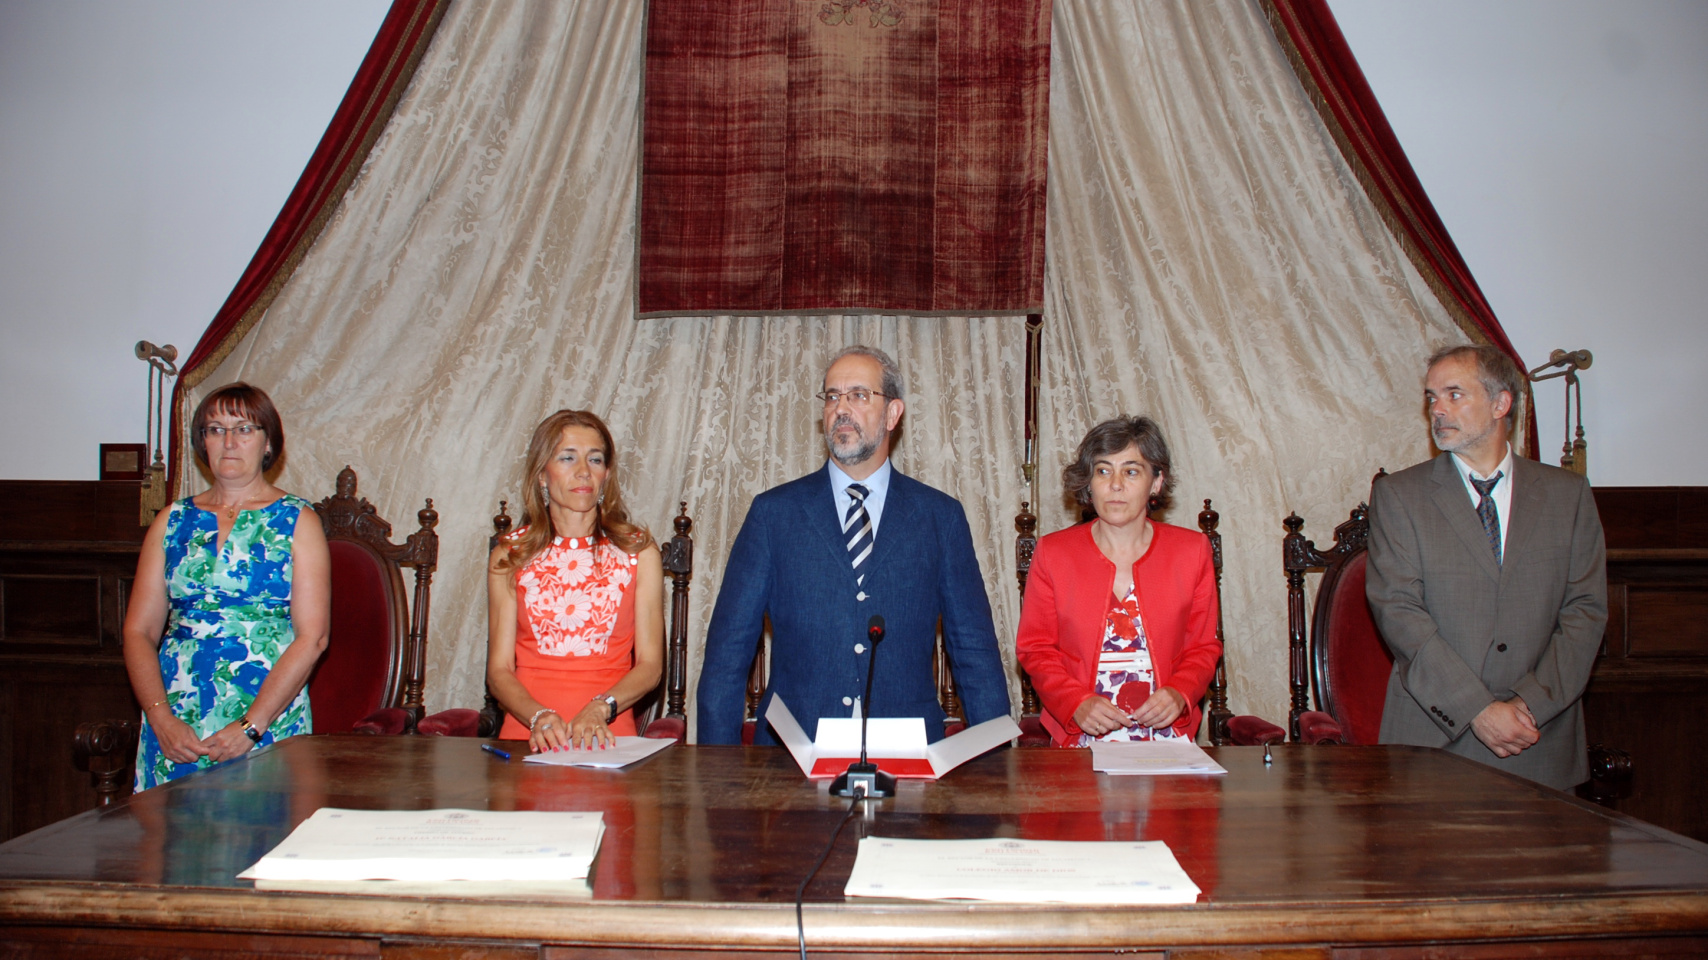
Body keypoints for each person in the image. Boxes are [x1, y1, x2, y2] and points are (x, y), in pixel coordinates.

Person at [696, 345, 1011, 744]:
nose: (840, 408)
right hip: (791, 760)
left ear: (893, 413)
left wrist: (995, 770)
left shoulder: (940, 517)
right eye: (832, 396)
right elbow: (727, 655)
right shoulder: (773, 515)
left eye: (859, 395)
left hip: (909, 757)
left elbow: (974, 651)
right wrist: (716, 776)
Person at [1366, 344, 1607, 790]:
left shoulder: (1567, 496)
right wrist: (1477, 709)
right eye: (1431, 397)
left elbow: (1585, 611)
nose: (1437, 409)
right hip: (1434, 743)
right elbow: (1399, 613)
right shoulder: (1400, 496)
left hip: (1540, 742)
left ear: (1501, 403)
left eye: (1454, 394)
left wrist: (1529, 707)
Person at [123, 382, 331, 790]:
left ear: (268, 443)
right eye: (216, 429)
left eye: (244, 429)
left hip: (267, 714)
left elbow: (313, 638)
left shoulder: (298, 521)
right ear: (203, 443)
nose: (229, 441)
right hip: (176, 719)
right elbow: (137, 632)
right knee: (169, 845)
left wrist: (251, 726)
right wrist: (160, 717)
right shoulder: (171, 520)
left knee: (262, 841)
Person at [1015, 417, 1221, 746]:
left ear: (1156, 482)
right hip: (1079, 737)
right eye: (1103, 470)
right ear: (1088, 483)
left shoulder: (1192, 551)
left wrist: (1180, 693)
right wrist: (1075, 702)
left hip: (1167, 740)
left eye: (1131, 471)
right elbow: (1036, 649)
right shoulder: (1053, 553)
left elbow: (1203, 648)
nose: (1115, 484)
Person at [488, 410, 664, 752]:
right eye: (567, 457)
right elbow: (498, 670)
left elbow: (651, 666)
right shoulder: (509, 555)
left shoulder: (639, 552)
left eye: (595, 459)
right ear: (542, 474)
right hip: (527, 735)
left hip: (609, 737)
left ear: (607, 474)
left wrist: (601, 708)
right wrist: (537, 715)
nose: (583, 471)